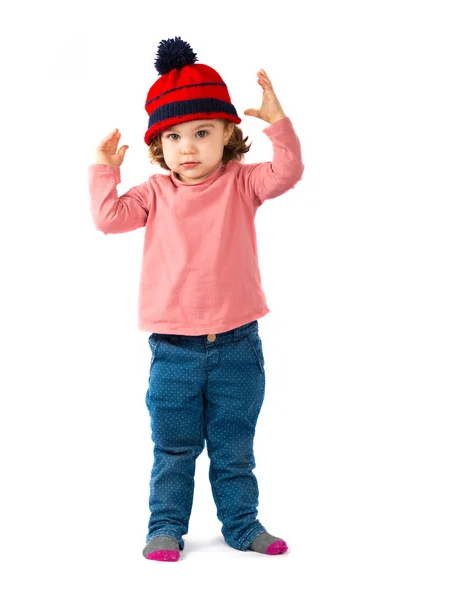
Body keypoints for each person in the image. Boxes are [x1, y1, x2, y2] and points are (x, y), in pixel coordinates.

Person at [88, 37, 305, 561]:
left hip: (237, 346)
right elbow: (107, 218)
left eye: (203, 133)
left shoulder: (241, 183)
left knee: (234, 450)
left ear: (229, 133)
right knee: (174, 448)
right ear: (158, 145)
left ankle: (242, 524)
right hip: (174, 352)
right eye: (174, 136)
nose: (188, 148)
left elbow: (288, 172)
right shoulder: (154, 192)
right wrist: (104, 170)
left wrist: (278, 123)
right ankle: (165, 526)